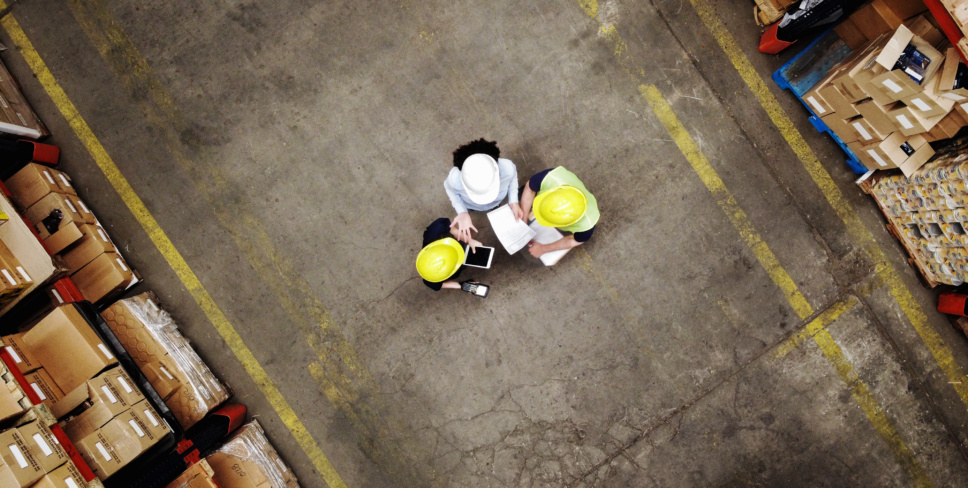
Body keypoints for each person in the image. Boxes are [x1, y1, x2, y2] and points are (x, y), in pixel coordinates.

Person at [444, 139, 524, 243]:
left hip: (496, 202)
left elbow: (513, 179)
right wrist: (463, 212)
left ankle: (494, 207)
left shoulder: (508, 168)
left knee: (495, 207)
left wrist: (514, 201)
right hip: (472, 206)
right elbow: (451, 191)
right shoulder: (454, 179)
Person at [518, 166, 599, 259]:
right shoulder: (551, 177)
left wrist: (542, 249)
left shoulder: (587, 225)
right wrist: (523, 219)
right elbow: (530, 188)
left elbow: (574, 240)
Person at [417, 217, 483, 291]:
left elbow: (452, 229)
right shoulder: (430, 277)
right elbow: (436, 285)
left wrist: (469, 240)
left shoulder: (435, 230)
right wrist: (462, 285)